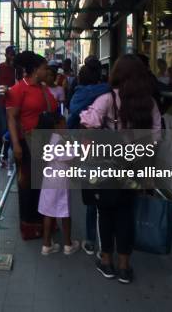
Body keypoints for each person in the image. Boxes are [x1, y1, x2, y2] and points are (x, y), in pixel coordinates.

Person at [81, 54, 162, 284]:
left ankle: (106, 261)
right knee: (126, 213)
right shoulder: (149, 103)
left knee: (105, 212)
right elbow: (156, 137)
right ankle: (125, 266)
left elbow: (88, 130)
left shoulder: (107, 100)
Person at [6, 50, 58, 240]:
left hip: (47, 143)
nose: (48, 71)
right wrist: (16, 145)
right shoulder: (18, 89)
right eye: (45, 68)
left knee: (45, 185)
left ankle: (47, 224)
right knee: (28, 187)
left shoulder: (43, 88)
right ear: (35, 70)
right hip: (27, 143)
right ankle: (31, 226)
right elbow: (11, 118)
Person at [67, 56, 111, 256]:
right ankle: (107, 241)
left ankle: (91, 239)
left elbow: (72, 115)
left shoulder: (79, 94)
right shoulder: (109, 91)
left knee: (92, 194)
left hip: (87, 145)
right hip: (110, 145)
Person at [38, 114, 81, 256]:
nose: (66, 127)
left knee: (48, 212)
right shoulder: (60, 141)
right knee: (65, 211)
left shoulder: (46, 139)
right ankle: (68, 244)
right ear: (56, 125)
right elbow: (71, 157)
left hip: (48, 179)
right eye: (63, 124)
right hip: (60, 180)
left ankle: (46, 245)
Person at [0, 45, 18, 168]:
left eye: (14, 55)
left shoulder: (15, 69)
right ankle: (1, 156)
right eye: (10, 54)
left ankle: (4, 156)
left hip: (11, 103)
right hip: (1, 103)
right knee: (2, 130)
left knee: (7, 131)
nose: (12, 57)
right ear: (6, 54)